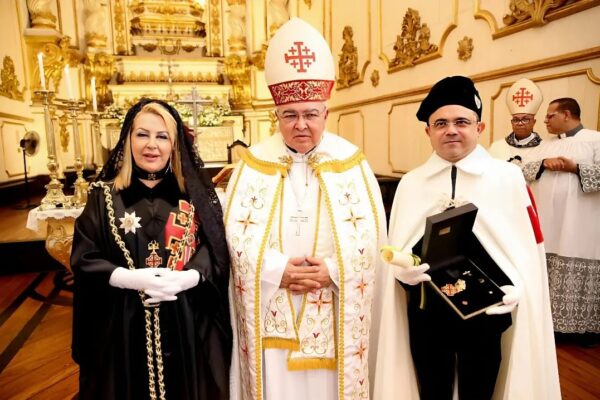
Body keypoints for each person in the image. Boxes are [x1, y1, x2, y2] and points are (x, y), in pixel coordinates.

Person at [225, 18, 387, 400]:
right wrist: (275, 270)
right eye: (290, 114)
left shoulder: (352, 161)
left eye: (310, 114)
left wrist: (331, 271)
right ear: (276, 116)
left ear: (326, 114)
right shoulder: (253, 164)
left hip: (332, 305)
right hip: (270, 309)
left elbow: (372, 237)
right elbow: (235, 237)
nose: (301, 124)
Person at [373, 76, 560, 400]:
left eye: (462, 121)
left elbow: (526, 252)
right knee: (433, 390)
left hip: (487, 318)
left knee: (481, 390)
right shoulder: (412, 184)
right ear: (427, 131)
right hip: (427, 317)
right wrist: (401, 274)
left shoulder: (508, 179)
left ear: (480, 127)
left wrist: (520, 286)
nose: (451, 130)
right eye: (441, 123)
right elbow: (399, 252)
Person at [70, 99, 232, 399]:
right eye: (142, 134)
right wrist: (126, 278)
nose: (151, 145)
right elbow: (83, 256)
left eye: (162, 136)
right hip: (122, 325)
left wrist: (193, 276)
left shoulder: (194, 195)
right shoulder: (103, 196)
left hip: (186, 322)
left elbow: (217, 248)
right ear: (128, 138)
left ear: (174, 144)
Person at [522, 97, 600, 340]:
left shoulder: (595, 140)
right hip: (547, 221)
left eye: (550, 115)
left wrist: (575, 168)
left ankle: (581, 331)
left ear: (566, 114)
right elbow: (522, 170)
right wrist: (543, 164)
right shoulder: (543, 145)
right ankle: (544, 325)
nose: (544, 120)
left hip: (580, 223)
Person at [489, 78, 544, 164]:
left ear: (534, 122)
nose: (520, 123)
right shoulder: (497, 146)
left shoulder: (544, 148)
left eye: (525, 119)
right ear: (511, 122)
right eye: (516, 120)